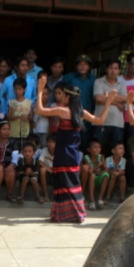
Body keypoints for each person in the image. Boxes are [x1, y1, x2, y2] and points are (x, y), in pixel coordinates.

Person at [35, 77, 116, 223]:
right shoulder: (81, 112)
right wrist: (108, 102)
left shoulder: (62, 111)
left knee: (61, 181)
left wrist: (40, 90)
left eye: (64, 95)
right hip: (73, 153)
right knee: (72, 181)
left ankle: (62, 214)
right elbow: (100, 120)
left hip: (62, 152)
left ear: (68, 97)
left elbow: (40, 110)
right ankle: (77, 213)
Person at [92, 59, 127, 154]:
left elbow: (124, 98)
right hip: (100, 122)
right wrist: (116, 102)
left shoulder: (122, 84)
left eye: (116, 68)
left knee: (115, 152)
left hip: (117, 123)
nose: (113, 71)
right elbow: (98, 98)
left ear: (119, 70)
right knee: (97, 150)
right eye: (111, 68)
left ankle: (113, 169)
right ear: (106, 69)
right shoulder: (98, 82)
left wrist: (107, 96)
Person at [62, 55, 97, 149]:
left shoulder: (94, 80)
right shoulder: (68, 78)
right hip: (71, 114)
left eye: (85, 64)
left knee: (85, 141)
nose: (82, 66)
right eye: (80, 64)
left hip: (88, 115)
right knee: (71, 140)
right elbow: (61, 94)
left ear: (89, 67)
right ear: (76, 66)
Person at [81, 139, 109, 210]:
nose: (97, 149)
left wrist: (98, 172)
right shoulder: (86, 157)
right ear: (89, 149)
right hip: (91, 177)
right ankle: (91, 200)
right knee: (92, 175)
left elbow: (106, 170)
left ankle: (100, 198)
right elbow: (90, 172)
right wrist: (99, 165)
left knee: (105, 175)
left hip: (98, 175)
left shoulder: (101, 157)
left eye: (99, 147)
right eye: (95, 147)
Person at [8, 77, 33, 147]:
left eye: (19, 89)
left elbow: (31, 117)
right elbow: (9, 117)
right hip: (13, 132)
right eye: (15, 89)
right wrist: (19, 117)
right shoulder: (11, 102)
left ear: (24, 89)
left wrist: (27, 117)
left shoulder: (29, 102)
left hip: (25, 133)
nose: (17, 91)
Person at [38, 134, 56, 202]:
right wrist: (48, 169)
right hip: (47, 173)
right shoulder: (44, 150)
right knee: (42, 170)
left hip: (56, 173)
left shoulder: (60, 151)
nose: (50, 144)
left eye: (53, 142)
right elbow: (40, 162)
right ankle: (45, 194)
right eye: (49, 142)